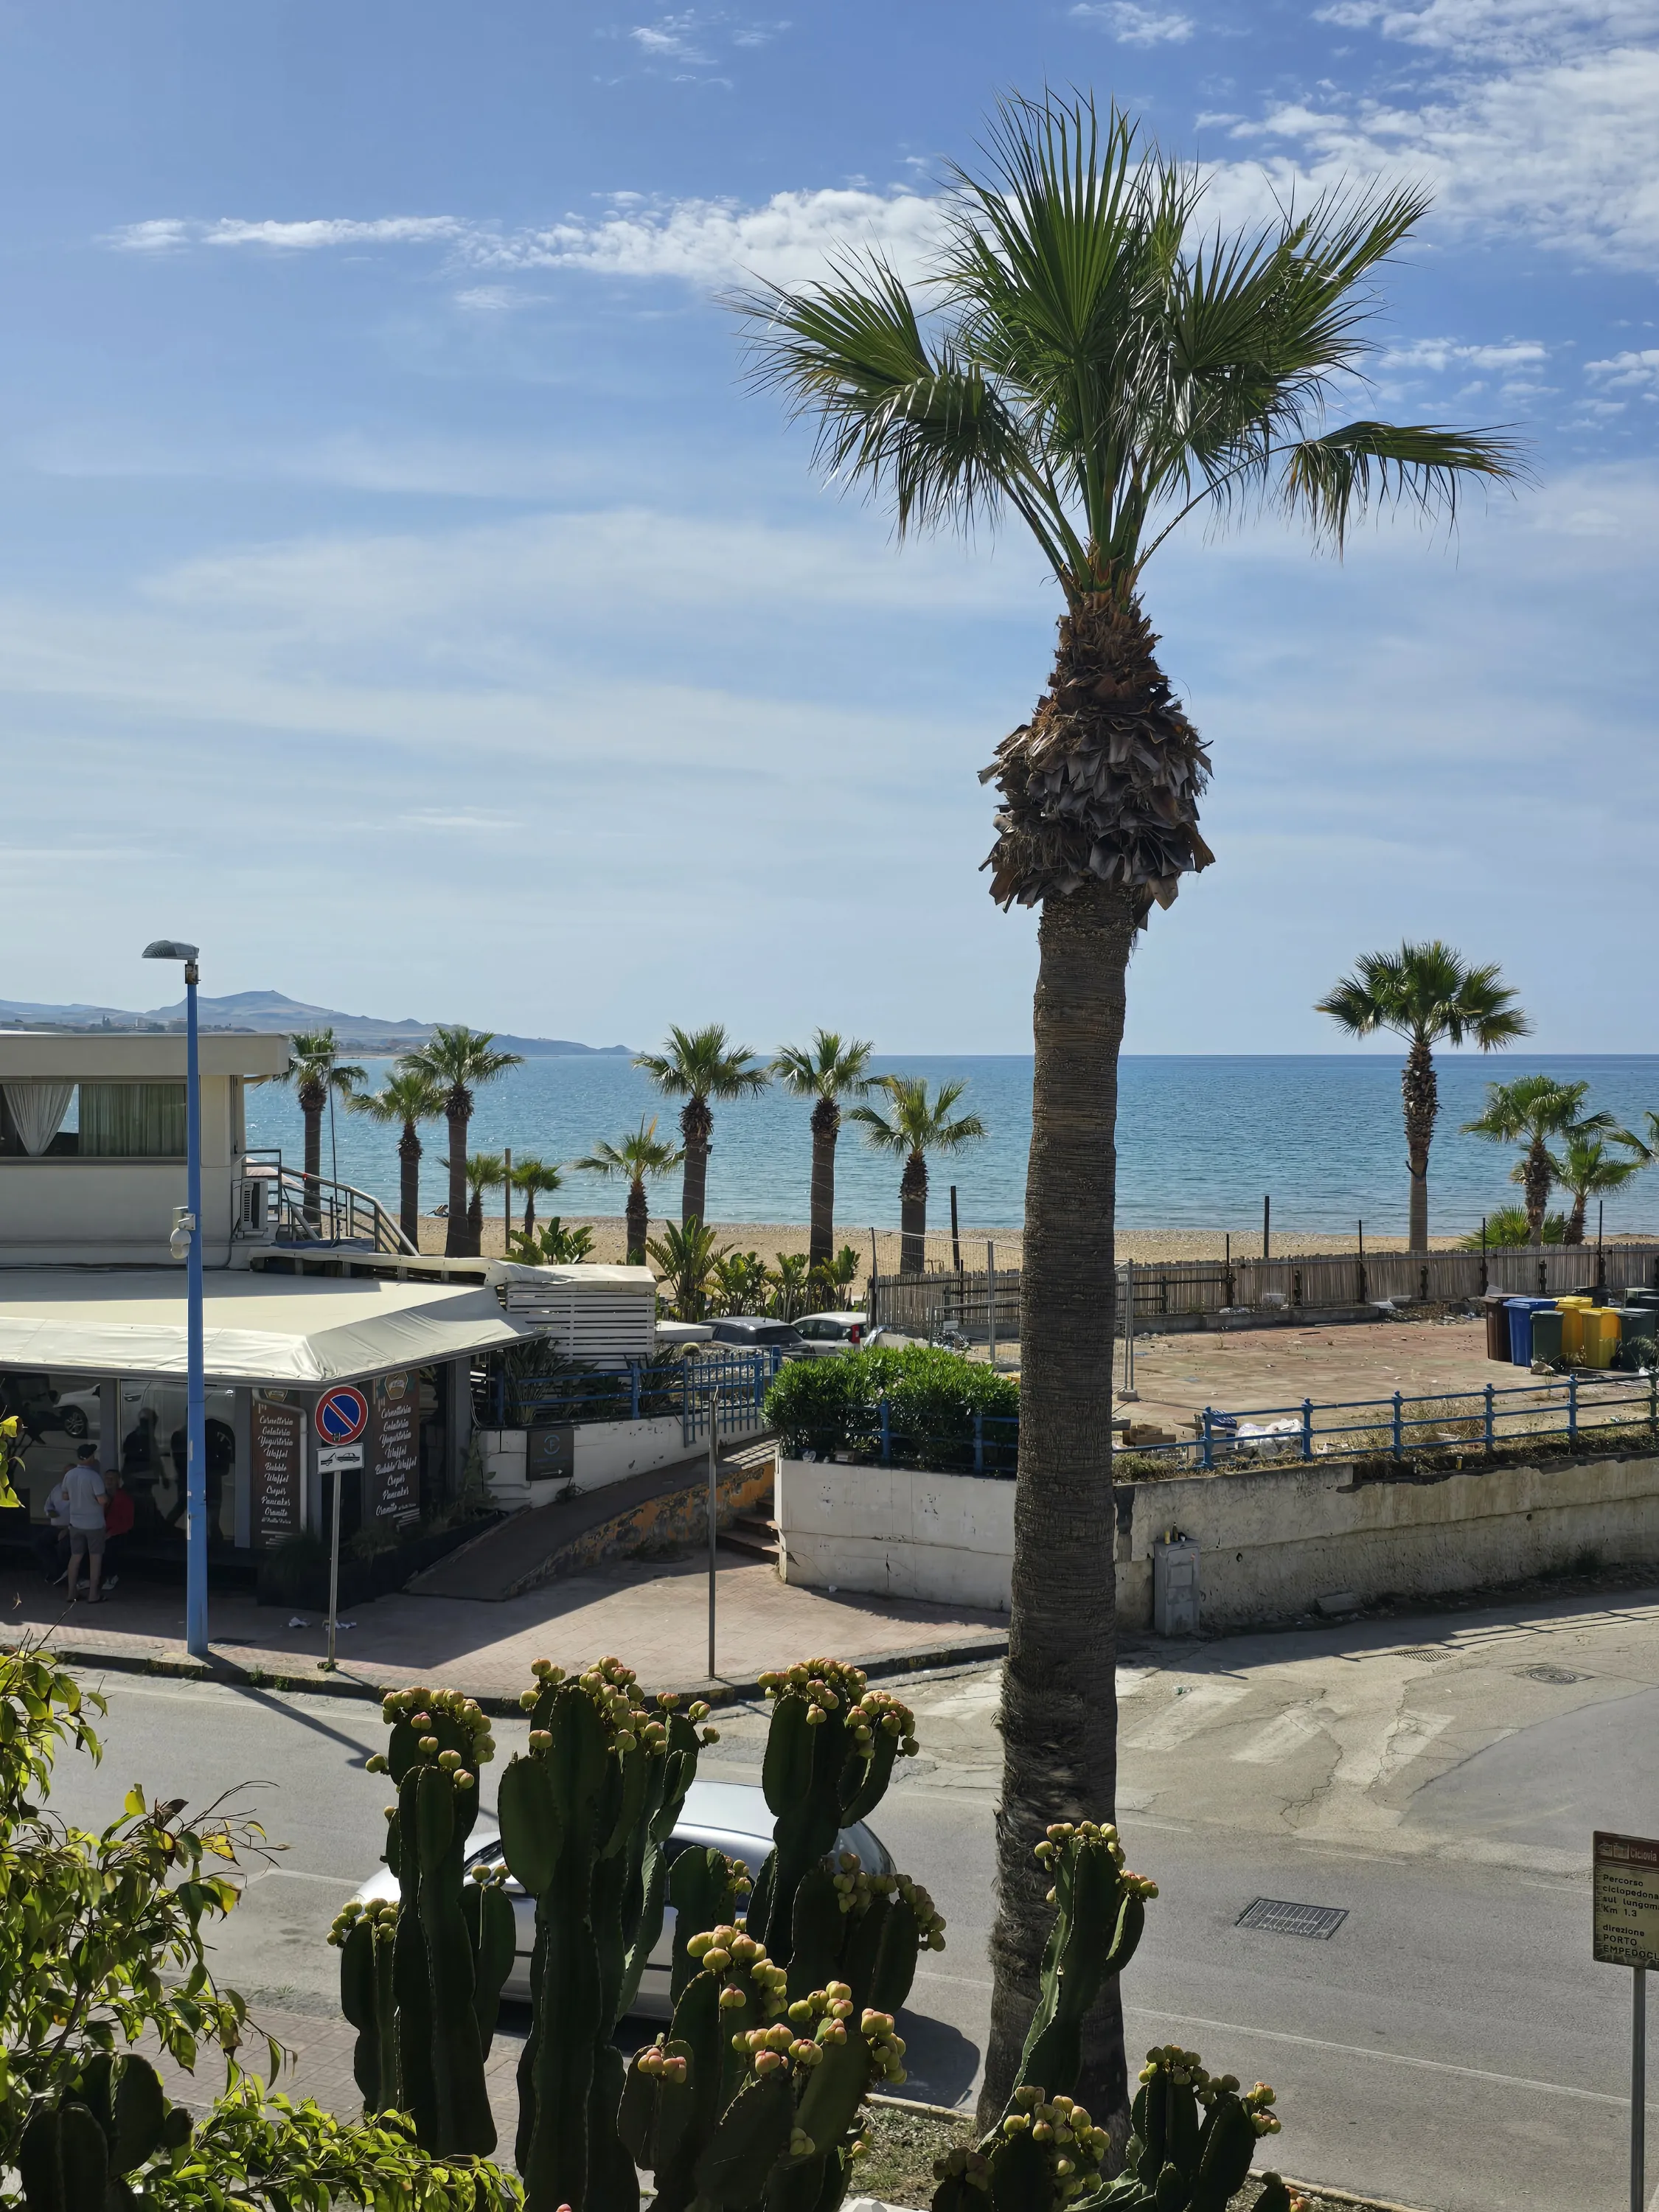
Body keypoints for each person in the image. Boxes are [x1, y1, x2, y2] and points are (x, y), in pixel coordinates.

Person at [57, 1444, 110, 1604]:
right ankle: (93, 1595)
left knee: (76, 1557)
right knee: (95, 1558)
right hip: (94, 1524)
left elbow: (65, 1496)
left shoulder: (70, 1475)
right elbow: (102, 1500)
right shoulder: (94, 1477)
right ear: (91, 1457)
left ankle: (71, 1593)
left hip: (75, 1523)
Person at [100, 1465, 131, 1589]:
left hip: (119, 1533)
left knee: (111, 1547)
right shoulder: (101, 1497)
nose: (109, 1481)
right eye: (107, 1478)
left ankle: (111, 1576)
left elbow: (128, 1523)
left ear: (118, 1481)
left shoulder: (125, 1499)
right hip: (102, 1531)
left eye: (112, 1478)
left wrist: (111, 1533)